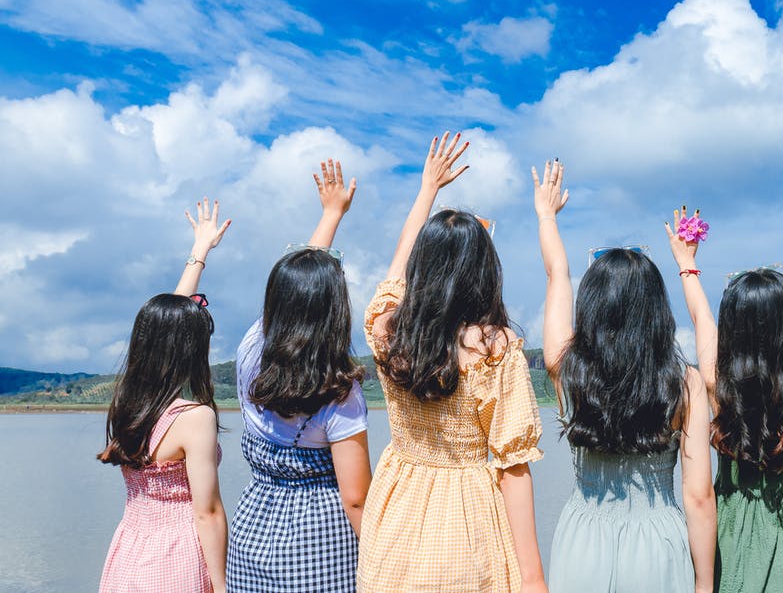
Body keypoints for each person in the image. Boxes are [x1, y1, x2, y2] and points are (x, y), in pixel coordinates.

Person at [358, 132, 547, 593]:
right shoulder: (496, 349)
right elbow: (514, 467)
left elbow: (395, 271)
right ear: (485, 271)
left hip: (395, 513)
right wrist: (533, 578)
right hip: (468, 519)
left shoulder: (387, 330)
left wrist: (427, 191)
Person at [536, 163, 716, 593]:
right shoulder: (684, 383)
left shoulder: (568, 370)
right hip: (658, 542)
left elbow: (555, 275)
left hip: (582, 540)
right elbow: (698, 496)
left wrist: (546, 217)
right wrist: (706, 584)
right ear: (656, 310)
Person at [665, 207, 783, 593]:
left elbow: (702, 321)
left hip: (738, 550)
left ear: (733, 331)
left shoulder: (720, 392)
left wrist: (687, 265)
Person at [226, 160, 371, 593]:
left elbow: (298, 293)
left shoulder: (252, 349)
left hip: (253, 536)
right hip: (323, 545)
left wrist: (329, 215)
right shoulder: (340, 394)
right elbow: (357, 498)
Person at [98, 197, 232, 593]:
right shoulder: (194, 417)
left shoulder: (131, 403)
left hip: (129, 553)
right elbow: (207, 512)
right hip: (178, 557)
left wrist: (199, 252)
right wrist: (223, 586)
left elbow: (166, 326)